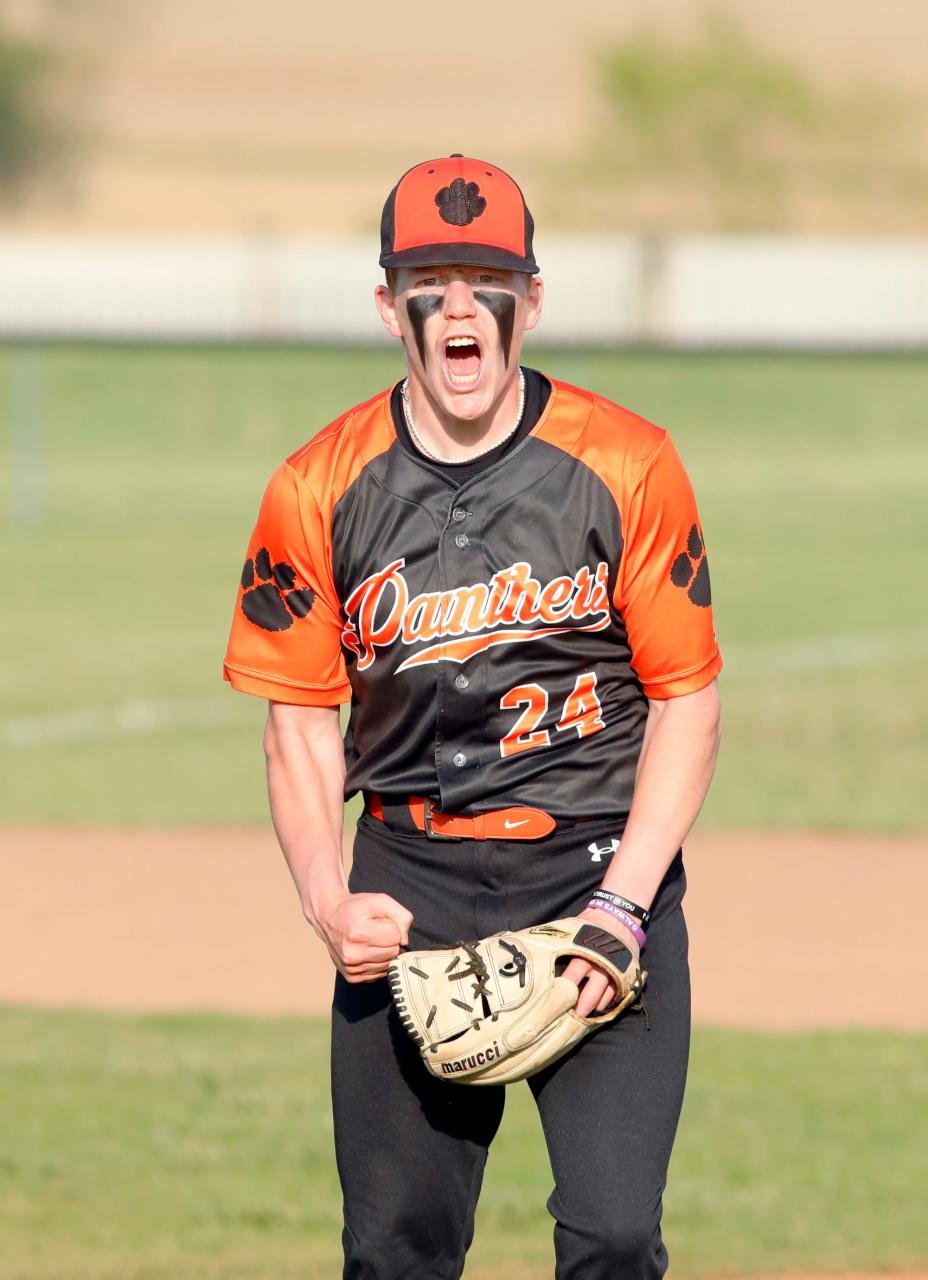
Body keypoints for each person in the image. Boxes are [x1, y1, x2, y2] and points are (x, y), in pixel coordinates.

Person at [224, 154, 722, 1279]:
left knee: (612, 1234)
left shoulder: (627, 464)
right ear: (388, 303)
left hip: (597, 872)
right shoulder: (317, 486)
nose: (459, 303)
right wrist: (326, 899)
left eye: (486, 277)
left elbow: (688, 701)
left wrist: (625, 906)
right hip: (411, 886)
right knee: (396, 1249)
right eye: (430, 278)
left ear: (531, 301)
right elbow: (299, 720)